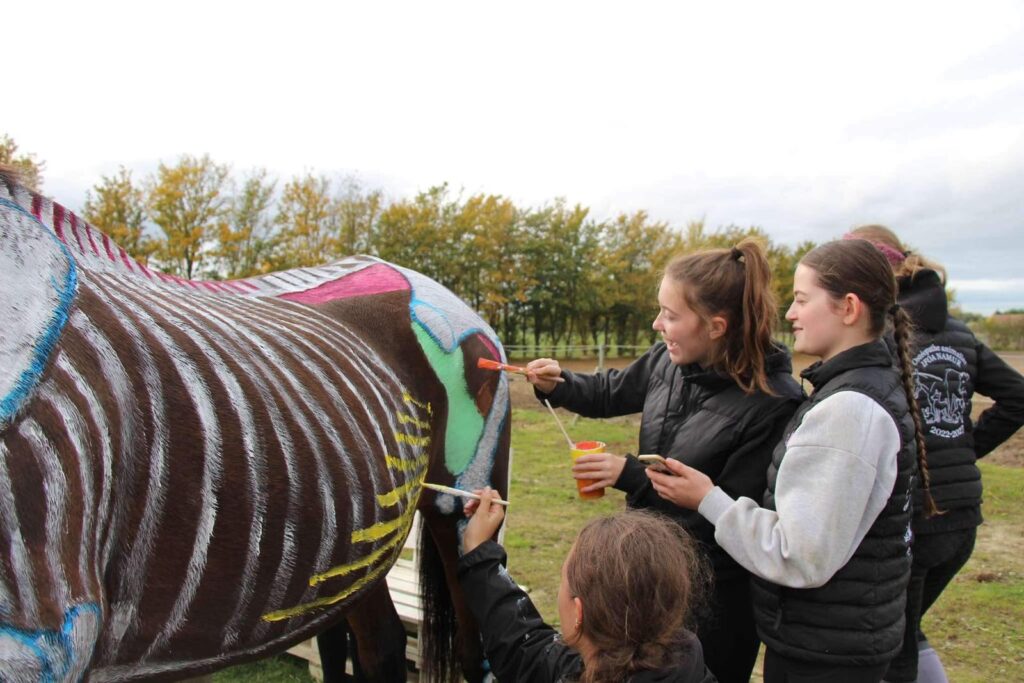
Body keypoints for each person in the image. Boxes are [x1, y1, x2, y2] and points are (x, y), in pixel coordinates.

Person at [651, 238, 933, 682]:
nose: (790, 314)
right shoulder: (859, 390)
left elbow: (799, 556)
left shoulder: (848, 410)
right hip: (835, 638)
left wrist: (709, 499)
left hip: (825, 652)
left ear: (848, 308)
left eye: (802, 300)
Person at [526, 239, 804, 683]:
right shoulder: (668, 363)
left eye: (671, 315)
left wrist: (630, 475)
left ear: (716, 326)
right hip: (653, 577)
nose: (658, 324)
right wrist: (559, 384)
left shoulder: (774, 403)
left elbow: (735, 515)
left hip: (718, 599)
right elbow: (609, 392)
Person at [848, 225, 1024, 683]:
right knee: (906, 630)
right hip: (961, 520)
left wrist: (961, 449)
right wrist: (964, 449)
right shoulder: (959, 334)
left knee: (894, 645)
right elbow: (1017, 396)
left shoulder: (883, 335)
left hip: (917, 521)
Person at [457, 488, 716, 682]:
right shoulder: (683, 660)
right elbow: (527, 651)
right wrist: (482, 560)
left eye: (564, 578)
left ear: (578, 613)